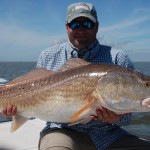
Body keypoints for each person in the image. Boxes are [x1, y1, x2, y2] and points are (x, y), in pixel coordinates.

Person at [2, 2, 150, 150]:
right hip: (61, 131)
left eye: (87, 23)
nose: (81, 29)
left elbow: (127, 117)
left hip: (108, 135)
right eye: (75, 24)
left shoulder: (118, 58)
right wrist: (14, 110)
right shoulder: (48, 55)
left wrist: (118, 117)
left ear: (96, 26)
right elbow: (32, 95)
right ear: (67, 27)